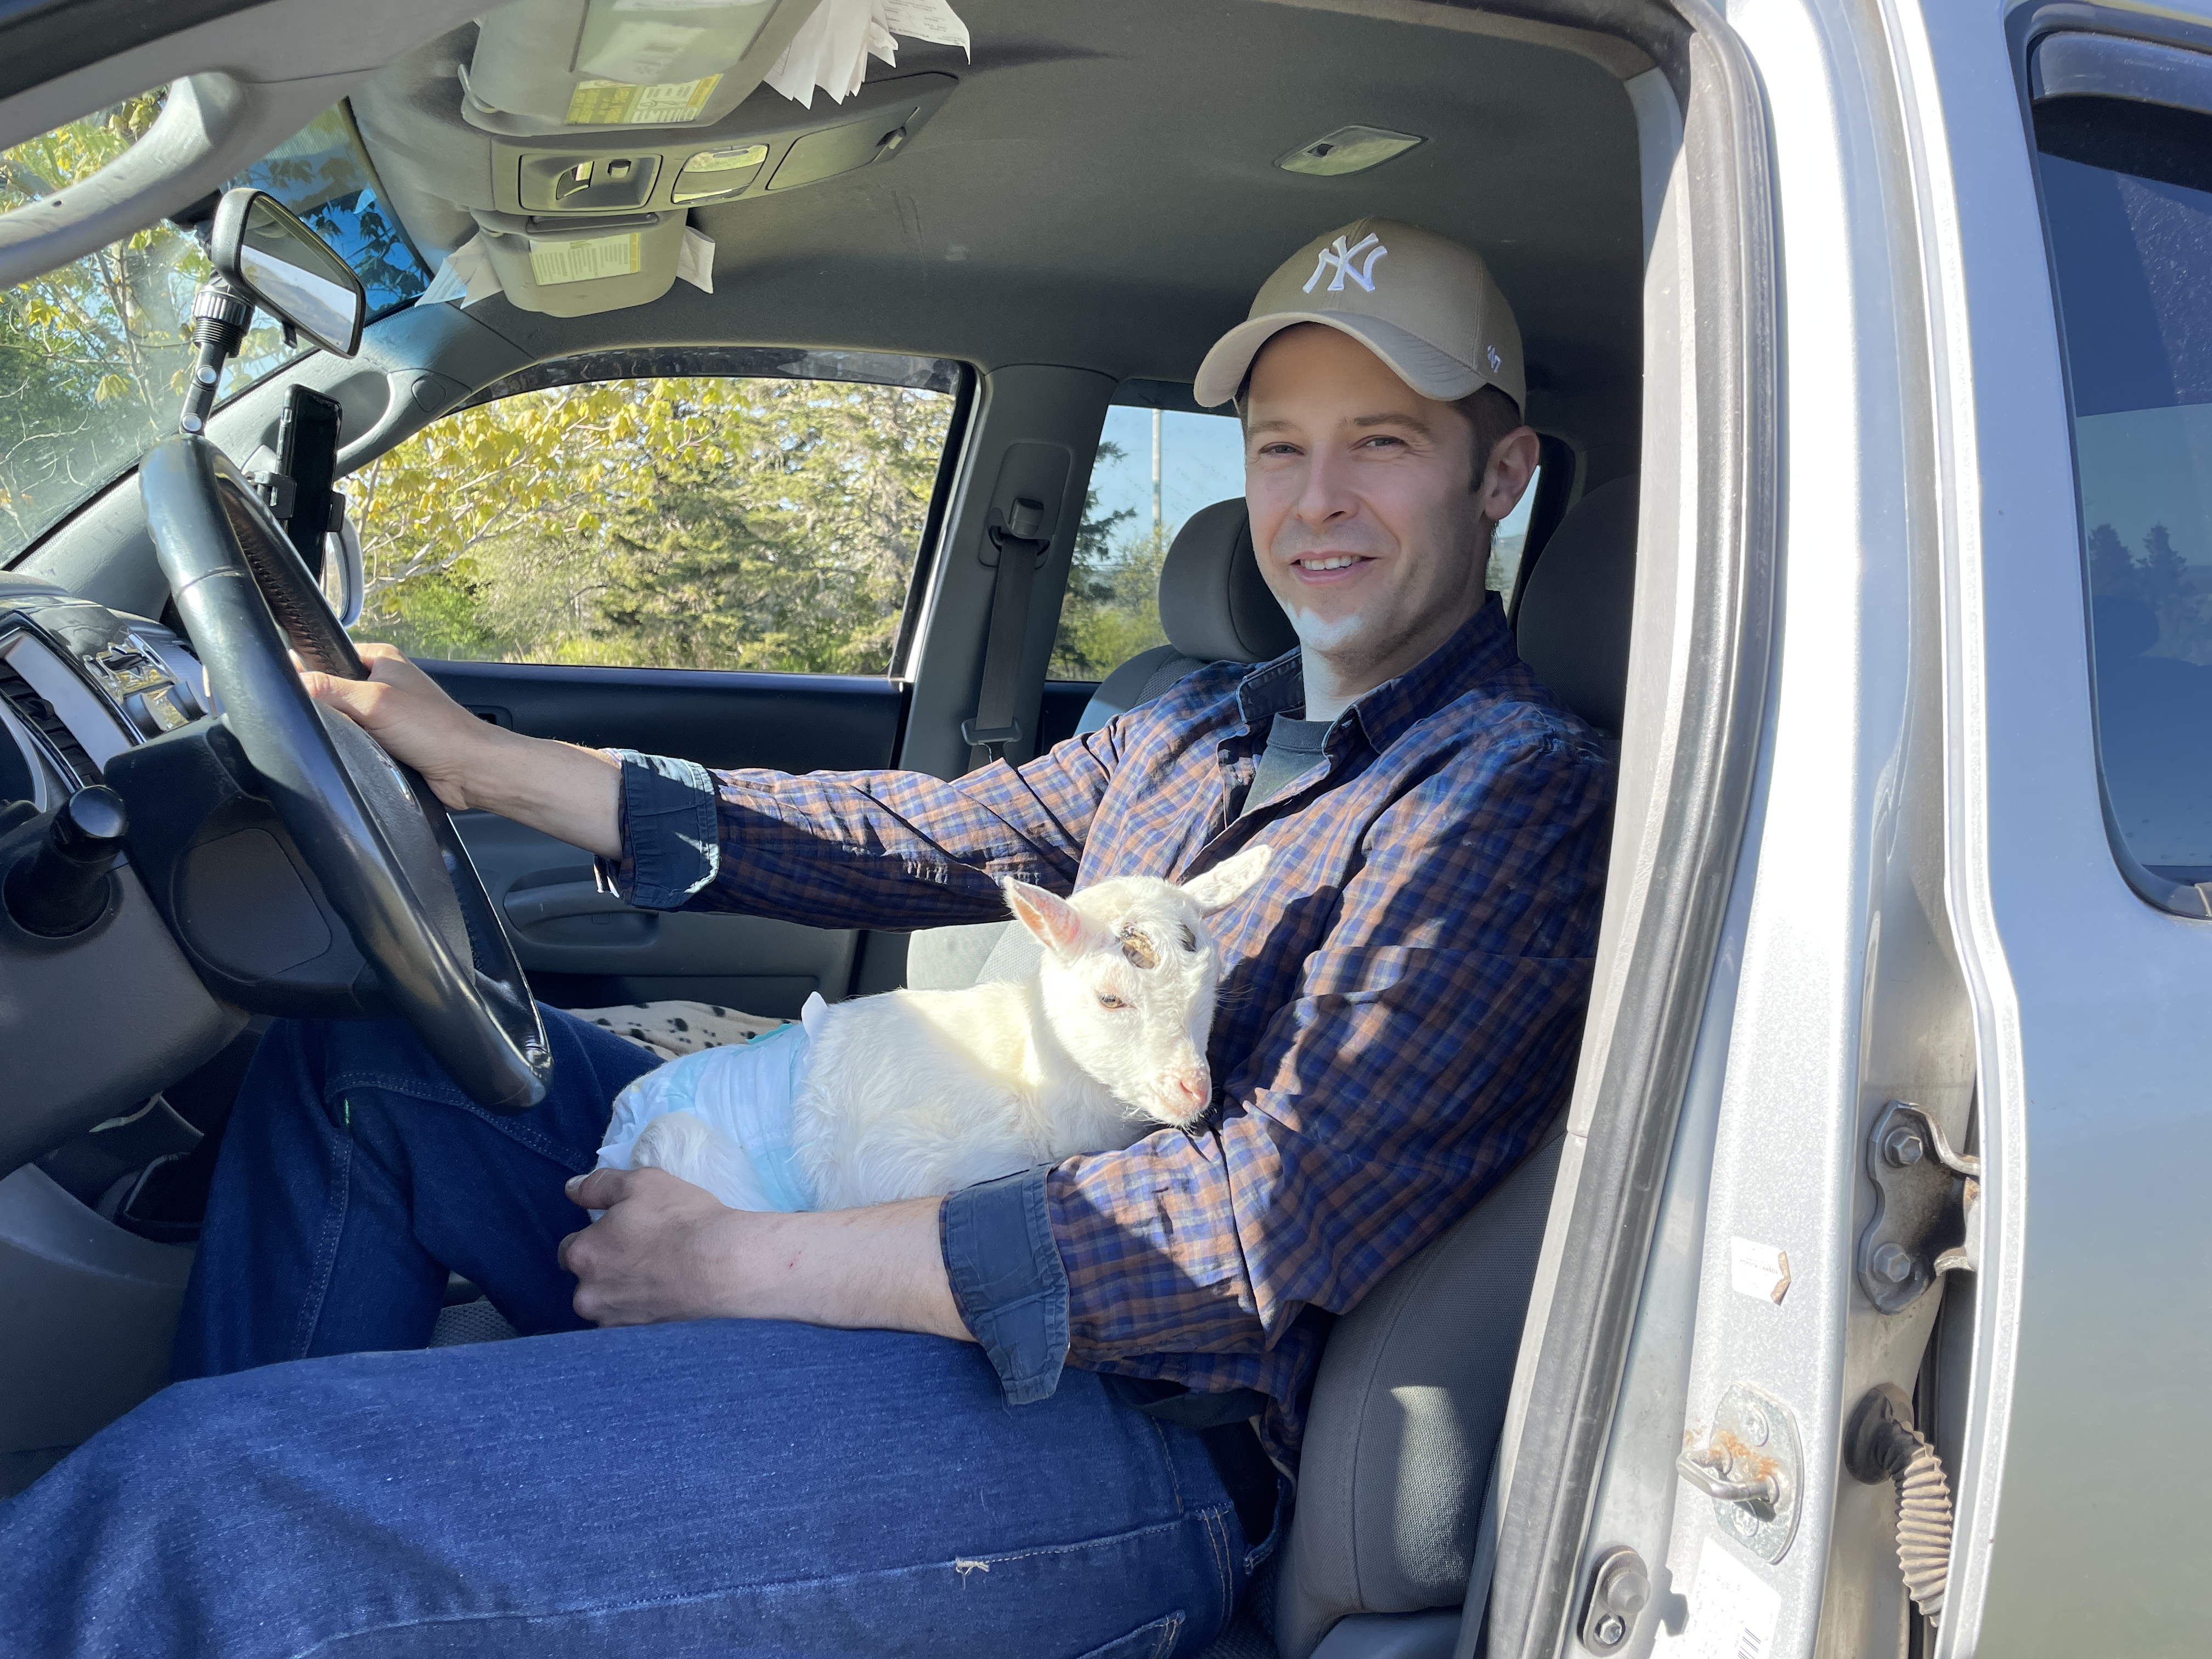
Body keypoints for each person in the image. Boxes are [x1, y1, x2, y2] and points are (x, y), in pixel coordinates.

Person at [0, 218, 1614, 1657]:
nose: (1318, 500)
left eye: (1382, 445)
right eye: (1279, 448)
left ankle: (245, 1555)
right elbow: (907, 835)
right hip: (922, 1243)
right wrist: (484, 760)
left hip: (1127, 1428)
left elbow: (1248, 1228)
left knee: (193, 1508)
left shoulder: (1509, 796)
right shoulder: (1200, 724)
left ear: (1502, 476)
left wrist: (732, 1261)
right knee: (357, 1063)